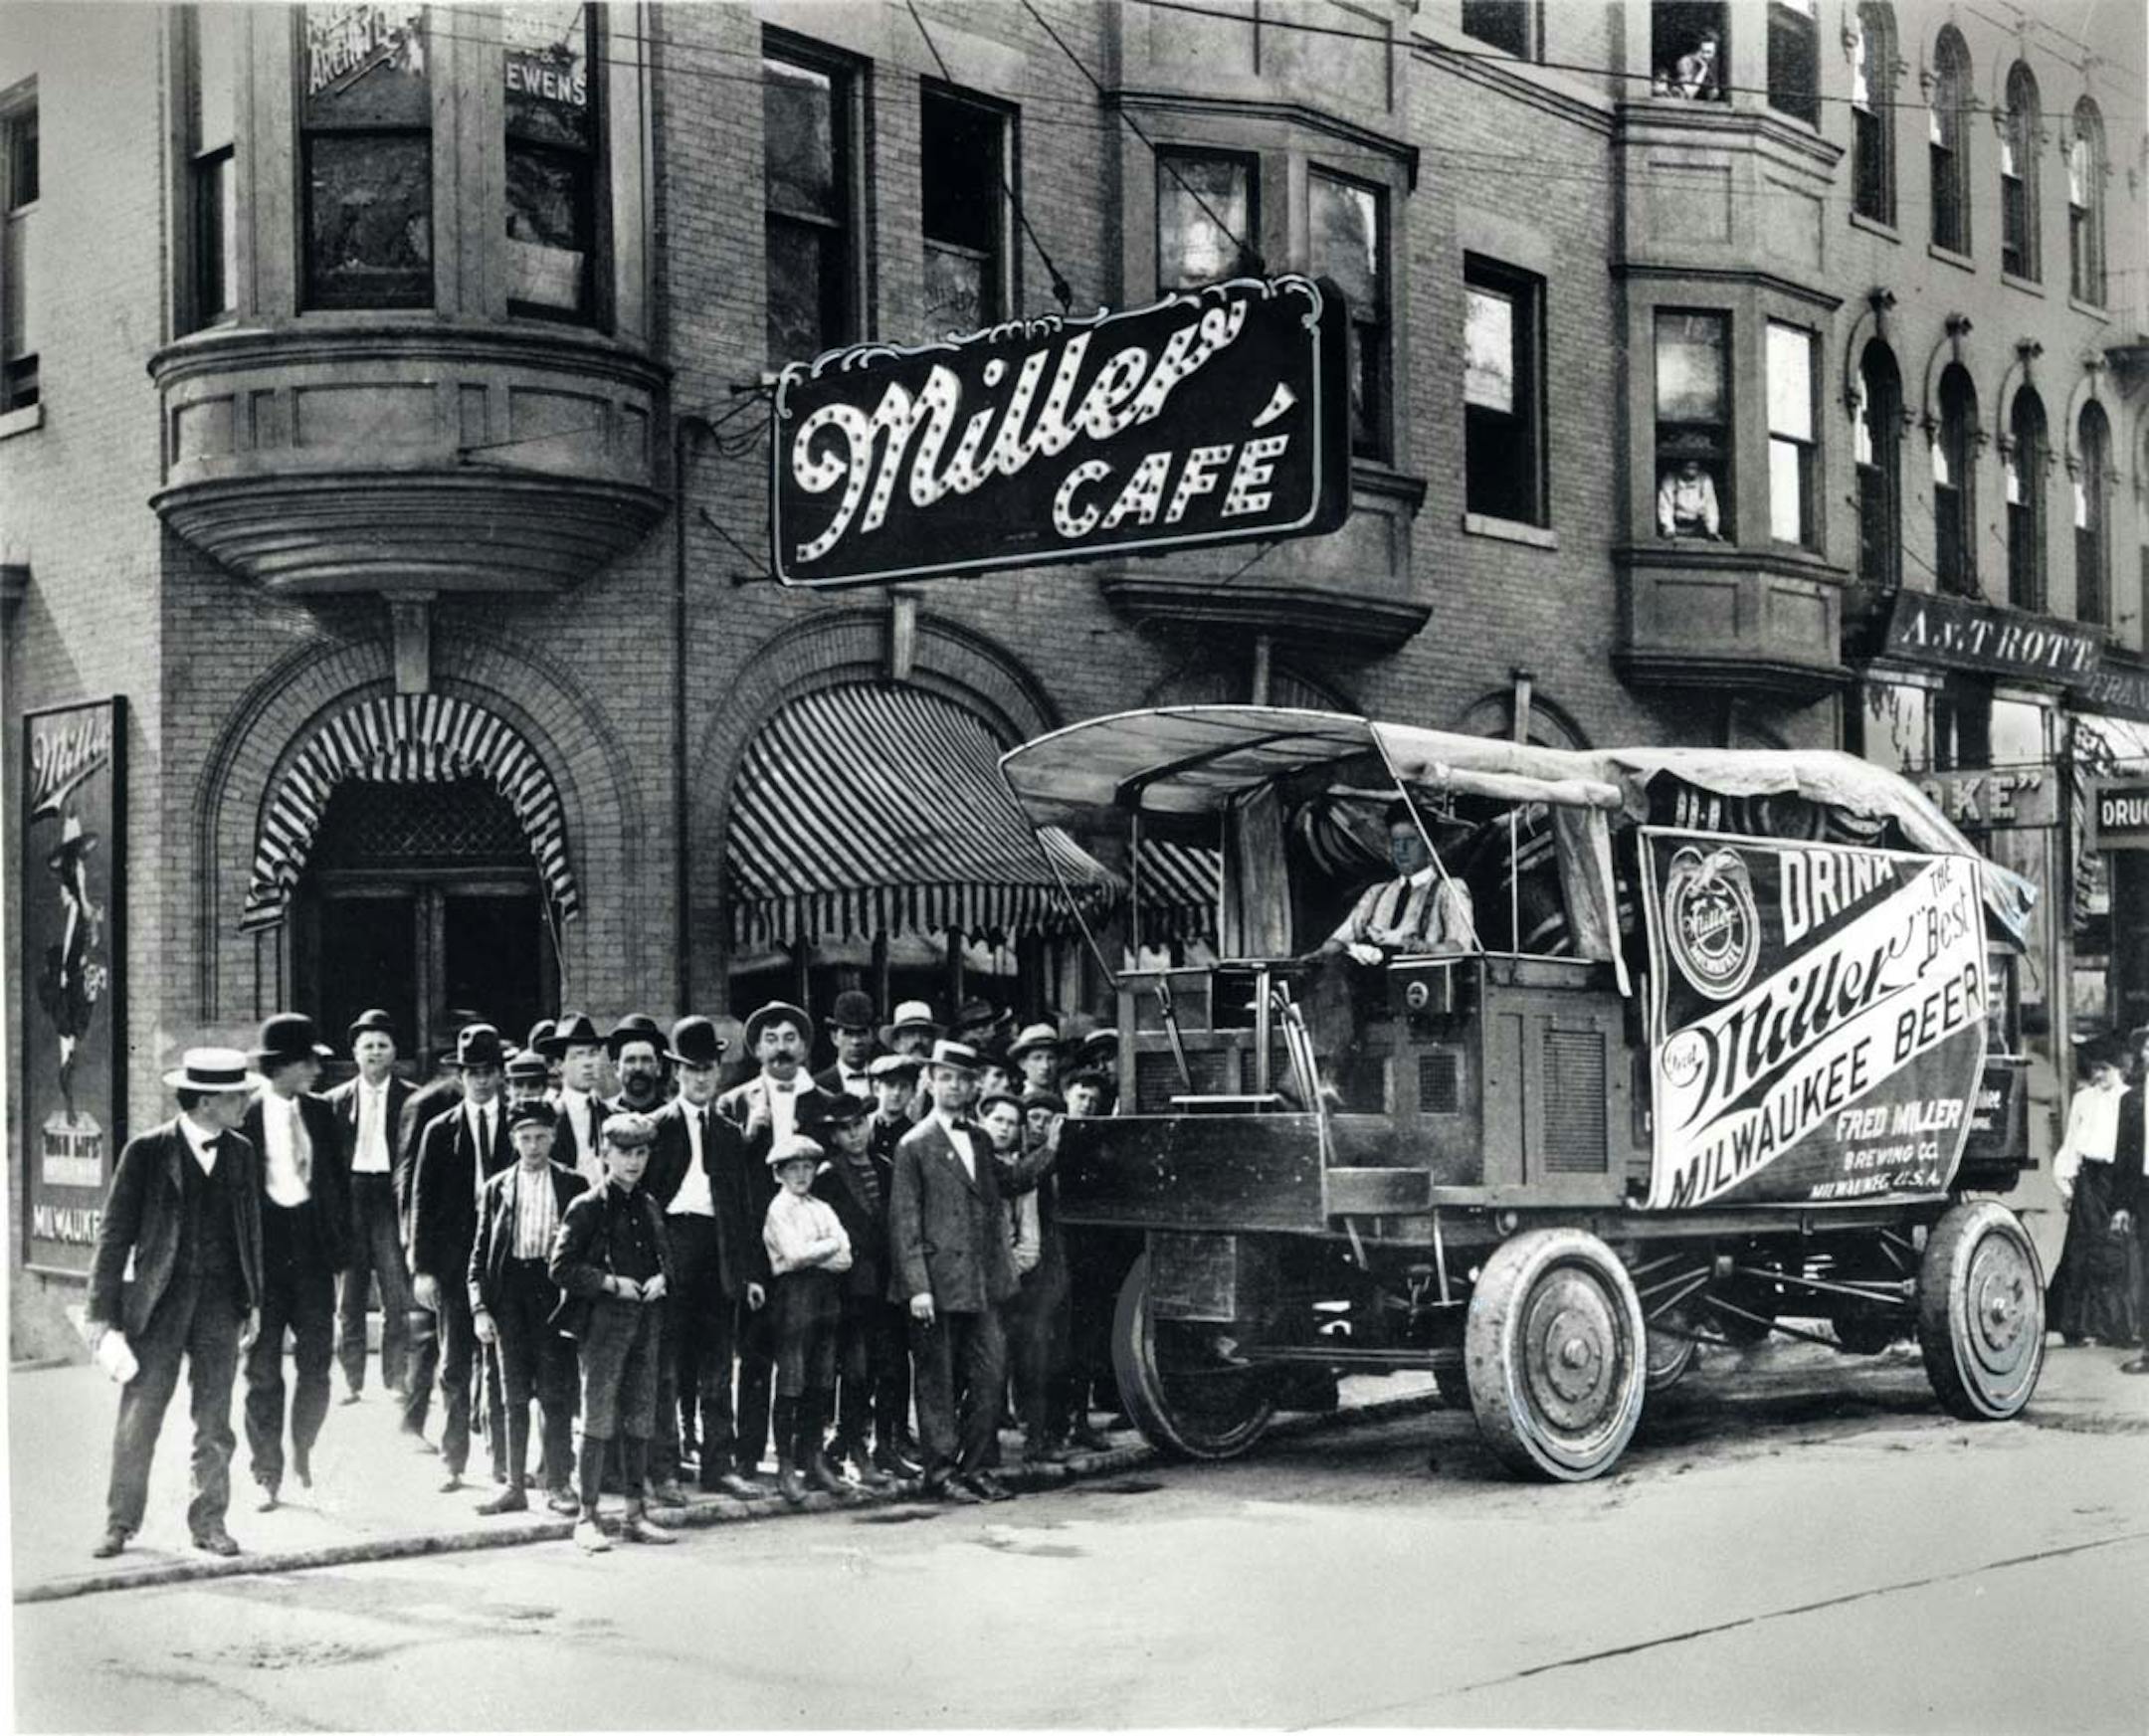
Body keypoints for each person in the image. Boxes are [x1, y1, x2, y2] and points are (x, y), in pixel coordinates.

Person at [87, 1048, 265, 1559]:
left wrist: (253, 1302)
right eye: (237, 1096)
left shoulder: (242, 1153)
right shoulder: (146, 1152)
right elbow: (114, 1234)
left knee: (214, 1419)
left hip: (220, 1303)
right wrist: (101, 1313)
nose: (244, 1105)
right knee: (141, 1414)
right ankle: (120, 1523)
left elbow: (251, 1232)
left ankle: (209, 1522)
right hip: (157, 1303)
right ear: (207, 1101)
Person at [889, 1040, 1020, 1503]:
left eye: (963, 1079)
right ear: (931, 1081)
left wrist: (1057, 1147)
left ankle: (979, 1465)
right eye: (945, 1077)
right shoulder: (915, 1145)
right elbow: (904, 1223)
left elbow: (1011, 1183)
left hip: (980, 1284)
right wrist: (917, 1288)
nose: (954, 1086)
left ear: (973, 1086)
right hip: (936, 1285)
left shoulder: (981, 1140)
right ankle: (941, 1471)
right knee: (937, 1381)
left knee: (990, 1374)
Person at [646, 1015, 764, 1500]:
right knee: (668, 1366)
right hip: (672, 1245)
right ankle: (666, 1469)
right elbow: (644, 1205)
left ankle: (719, 1465)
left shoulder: (730, 1132)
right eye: (692, 1069)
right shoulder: (656, 1128)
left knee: (718, 1365)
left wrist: (750, 1272)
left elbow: (742, 1209)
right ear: (676, 1073)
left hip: (717, 1251)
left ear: (719, 1073)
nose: (701, 1078)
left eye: (709, 1069)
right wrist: (651, 1267)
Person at [549, 1113, 678, 1551]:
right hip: (603, 1325)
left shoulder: (648, 1205)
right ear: (606, 1154)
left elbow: (667, 1257)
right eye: (624, 1152)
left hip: (647, 1321)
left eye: (641, 1153)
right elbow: (561, 1266)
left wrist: (663, 1279)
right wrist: (609, 1283)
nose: (633, 1162)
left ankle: (635, 1513)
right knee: (598, 1415)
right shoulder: (586, 1206)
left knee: (641, 1413)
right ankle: (587, 1517)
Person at [240, 1013, 352, 1511]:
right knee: (262, 1368)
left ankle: (302, 1451)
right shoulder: (242, 1115)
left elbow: (338, 1186)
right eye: (308, 1061)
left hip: (311, 1254)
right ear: (283, 1065)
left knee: (316, 1364)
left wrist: (341, 1251)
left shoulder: (323, 1113)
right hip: (264, 1259)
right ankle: (267, 1472)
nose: (316, 1070)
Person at [718, 1000, 828, 1480]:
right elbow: (726, 1188)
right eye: (770, 1039)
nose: (781, 1049)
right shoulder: (735, 1103)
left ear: (804, 1047)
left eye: (789, 1039)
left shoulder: (821, 1101)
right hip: (759, 1252)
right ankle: (747, 1456)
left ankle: (806, 1457)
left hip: (812, 1253)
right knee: (757, 1356)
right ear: (757, 1049)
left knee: (811, 1359)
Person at [406, 1024, 513, 1490]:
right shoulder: (439, 1129)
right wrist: (422, 1267)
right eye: (473, 1072)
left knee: (501, 1364)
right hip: (452, 1264)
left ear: (500, 1074)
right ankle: (453, 1460)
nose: (482, 1080)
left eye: (489, 1071)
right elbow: (421, 1201)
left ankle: (502, 1460)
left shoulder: (518, 1124)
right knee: (453, 1363)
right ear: (461, 1075)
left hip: (504, 1261)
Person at [469, 1100, 586, 1516]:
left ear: (553, 1137)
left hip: (552, 1294)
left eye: (540, 1137)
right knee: (511, 1394)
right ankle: (513, 1484)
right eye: (525, 1138)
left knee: (555, 1394)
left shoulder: (573, 1184)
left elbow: (585, 1250)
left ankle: (557, 1483)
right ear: (513, 1140)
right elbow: (480, 1254)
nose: (533, 1146)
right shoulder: (497, 1186)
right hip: (510, 1296)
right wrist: (481, 1307)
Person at [806, 1092, 908, 1485]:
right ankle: (854, 1449)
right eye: (844, 1129)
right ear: (834, 1135)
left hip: (888, 1283)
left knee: (893, 1368)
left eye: (859, 1125)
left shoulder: (885, 1166)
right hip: (851, 1288)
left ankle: (888, 1446)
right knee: (856, 1370)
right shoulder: (829, 1177)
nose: (854, 1135)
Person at [324, 1009, 415, 1405]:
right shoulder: (335, 1101)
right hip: (352, 1197)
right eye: (368, 1046)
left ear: (394, 1052)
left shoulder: (411, 1098)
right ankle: (352, 1381)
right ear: (356, 1053)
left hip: (390, 1197)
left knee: (396, 1292)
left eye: (382, 1045)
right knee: (350, 1296)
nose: (375, 1053)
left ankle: (395, 1378)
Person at [762, 1133, 856, 1505]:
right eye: (793, 1169)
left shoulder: (822, 1207)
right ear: (779, 1173)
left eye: (807, 1168)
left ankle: (814, 1460)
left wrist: (823, 1250)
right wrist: (826, 1246)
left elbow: (846, 1255)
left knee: (821, 1377)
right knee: (792, 1378)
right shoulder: (778, 1209)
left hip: (825, 1296)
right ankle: (786, 1466)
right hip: (793, 1297)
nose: (802, 1175)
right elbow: (795, 1255)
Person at [2047, 1038, 2136, 1348]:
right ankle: (2076, 1324)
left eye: (2105, 1069)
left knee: (2115, 1251)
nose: (2098, 1075)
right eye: (2095, 1069)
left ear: (2120, 1069)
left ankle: (2115, 1326)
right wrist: (2066, 1180)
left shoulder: (2132, 1099)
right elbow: (2072, 1140)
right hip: (2088, 1179)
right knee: (2081, 1251)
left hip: (2117, 1179)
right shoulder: (2083, 1099)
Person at [542, 1012, 610, 1186]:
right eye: (577, 1055)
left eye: (593, 1053)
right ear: (559, 1065)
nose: (588, 1063)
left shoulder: (612, 1114)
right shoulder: (547, 1116)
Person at [815, 990, 880, 1100]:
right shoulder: (817, 1087)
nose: (855, 1041)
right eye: (848, 1034)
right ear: (834, 1038)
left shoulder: (884, 1081)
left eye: (862, 1033)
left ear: (873, 1036)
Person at [605, 1014, 673, 1116]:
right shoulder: (602, 1115)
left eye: (646, 1060)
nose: (638, 1068)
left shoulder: (673, 1117)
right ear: (616, 1068)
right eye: (630, 1060)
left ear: (659, 1067)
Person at [1657, 457, 1722, 539]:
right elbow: (1665, 505)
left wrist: (1712, 530)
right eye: (1688, 466)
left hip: (1698, 528)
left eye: (1694, 467)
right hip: (1676, 527)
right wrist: (1669, 529)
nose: (1691, 469)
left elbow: (1710, 505)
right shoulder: (1671, 479)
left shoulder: (1704, 479)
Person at [1665, 29, 1721, 99]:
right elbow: (1688, 93)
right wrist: (1703, 69)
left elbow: (1713, 94)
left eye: (1709, 52)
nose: (1705, 56)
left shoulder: (1714, 63)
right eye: (1702, 51)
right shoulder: (1686, 62)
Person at [1009, 1024, 1062, 1095]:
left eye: (1051, 1058)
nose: (1045, 1066)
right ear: (1022, 1064)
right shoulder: (1019, 1103)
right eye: (1037, 1058)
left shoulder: (1067, 1100)